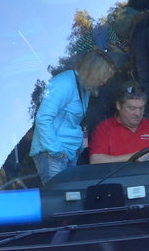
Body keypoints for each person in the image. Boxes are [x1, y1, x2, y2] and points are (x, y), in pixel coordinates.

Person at [30, 49, 115, 182]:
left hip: (68, 152)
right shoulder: (64, 83)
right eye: (103, 75)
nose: (105, 81)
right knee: (58, 198)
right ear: (93, 71)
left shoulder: (83, 87)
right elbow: (43, 117)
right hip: (53, 154)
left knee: (69, 198)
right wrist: (56, 151)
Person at [89, 83, 149, 163]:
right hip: (121, 175)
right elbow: (95, 160)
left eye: (141, 108)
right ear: (118, 106)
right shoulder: (104, 128)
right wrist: (134, 157)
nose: (138, 114)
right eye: (132, 108)